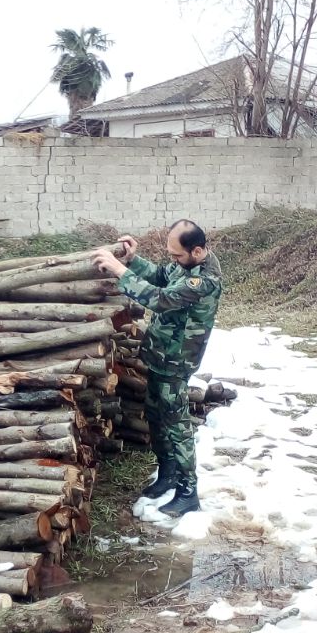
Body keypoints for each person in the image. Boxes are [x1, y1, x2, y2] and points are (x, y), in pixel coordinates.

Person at [91, 219, 223, 518]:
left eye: (177, 255)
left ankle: (188, 492)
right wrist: (133, 260)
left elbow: (160, 299)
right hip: (159, 356)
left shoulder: (203, 282)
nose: (173, 260)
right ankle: (168, 473)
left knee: (177, 425)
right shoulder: (185, 266)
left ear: (198, 251)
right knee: (154, 414)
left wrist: (119, 269)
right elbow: (161, 275)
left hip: (176, 361)